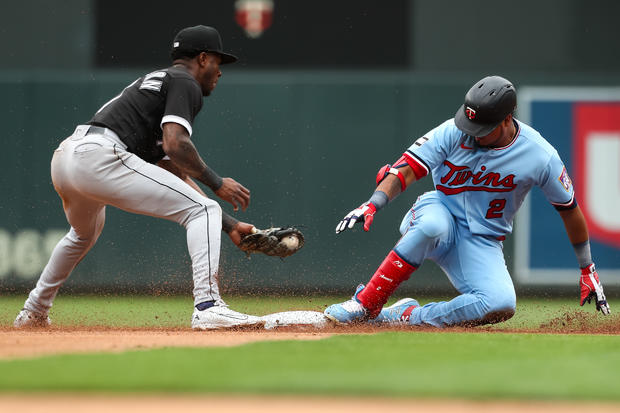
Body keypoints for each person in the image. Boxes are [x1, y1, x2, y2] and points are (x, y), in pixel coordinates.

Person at [14, 25, 264, 330]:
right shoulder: (186, 82)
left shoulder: (156, 83)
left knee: (82, 234)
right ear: (202, 58)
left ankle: (34, 311)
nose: (219, 71)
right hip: (99, 156)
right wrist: (217, 183)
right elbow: (177, 144)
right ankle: (208, 306)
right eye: (216, 61)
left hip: (67, 157)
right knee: (203, 209)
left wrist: (230, 225)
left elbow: (171, 166)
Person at [325, 75, 611, 327]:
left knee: (500, 304)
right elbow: (407, 168)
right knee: (432, 226)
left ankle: (408, 315)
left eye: (482, 128)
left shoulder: (540, 155)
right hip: (438, 211)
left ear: (507, 119)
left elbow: (569, 210)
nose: (472, 132)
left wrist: (587, 268)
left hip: (482, 240)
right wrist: (374, 203)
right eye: (469, 122)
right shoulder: (453, 130)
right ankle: (365, 303)